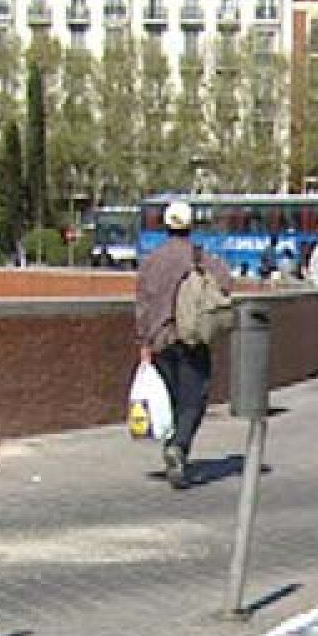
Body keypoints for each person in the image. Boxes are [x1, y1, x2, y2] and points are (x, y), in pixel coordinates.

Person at [135, 198, 233, 490]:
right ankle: (178, 446)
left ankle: (172, 445)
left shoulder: (151, 260)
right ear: (190, 226)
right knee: (195, 398)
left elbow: (142, 305)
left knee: (171, 398)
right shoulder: (197, 256)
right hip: (190, 337)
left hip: (160, 341)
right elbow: (226, 282)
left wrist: (144, 343)